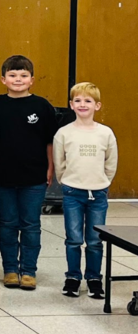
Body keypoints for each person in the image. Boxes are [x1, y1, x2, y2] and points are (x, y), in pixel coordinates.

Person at [0, 55, 56, 291]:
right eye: (13, 75)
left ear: (32, 80)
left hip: (34, 177)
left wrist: (50, 167)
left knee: (31, 224)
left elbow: (49, 142)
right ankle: (10, 270)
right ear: (3, 79)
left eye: (23, 75)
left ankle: (28, 270)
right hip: (3, 176)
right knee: (7, 223)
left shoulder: (42, 106)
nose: (18, 79)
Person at [54, 82, 118, 298]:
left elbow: (111, 163)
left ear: (97, 105)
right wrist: (67, 182)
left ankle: (93, 278)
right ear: (71, 105)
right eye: (78, 100)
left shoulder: (105, 133)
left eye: (88, 101)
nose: (83, 104)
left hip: (98, 194)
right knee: (73, 238)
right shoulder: (64, 133)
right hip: (73, 193)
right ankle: (72, 277)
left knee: (94, 239)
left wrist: (102, 182)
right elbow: (59, 162)